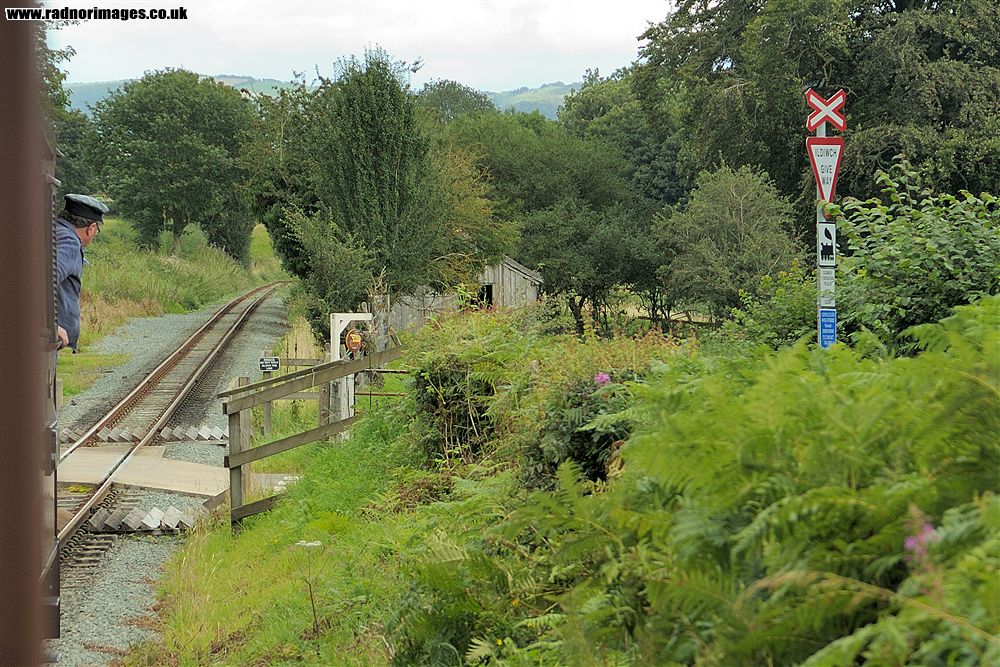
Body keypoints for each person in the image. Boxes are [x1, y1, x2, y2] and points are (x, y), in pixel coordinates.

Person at [55, 194, 108, 352]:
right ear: (91, 229)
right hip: (51, 340)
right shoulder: (69, 243)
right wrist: (49, 326)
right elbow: (41, 281)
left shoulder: (53, 231)